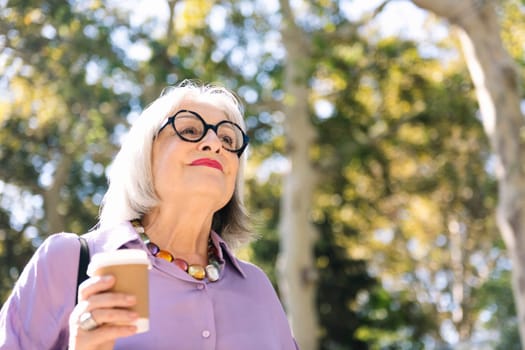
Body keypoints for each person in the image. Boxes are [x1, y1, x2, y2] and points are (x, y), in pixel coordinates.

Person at [0, 80, 298, 349]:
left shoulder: (258, 288)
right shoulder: (67, 260)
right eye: (190, 130)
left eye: (229, 139)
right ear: (145, 154)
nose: (214, 144)